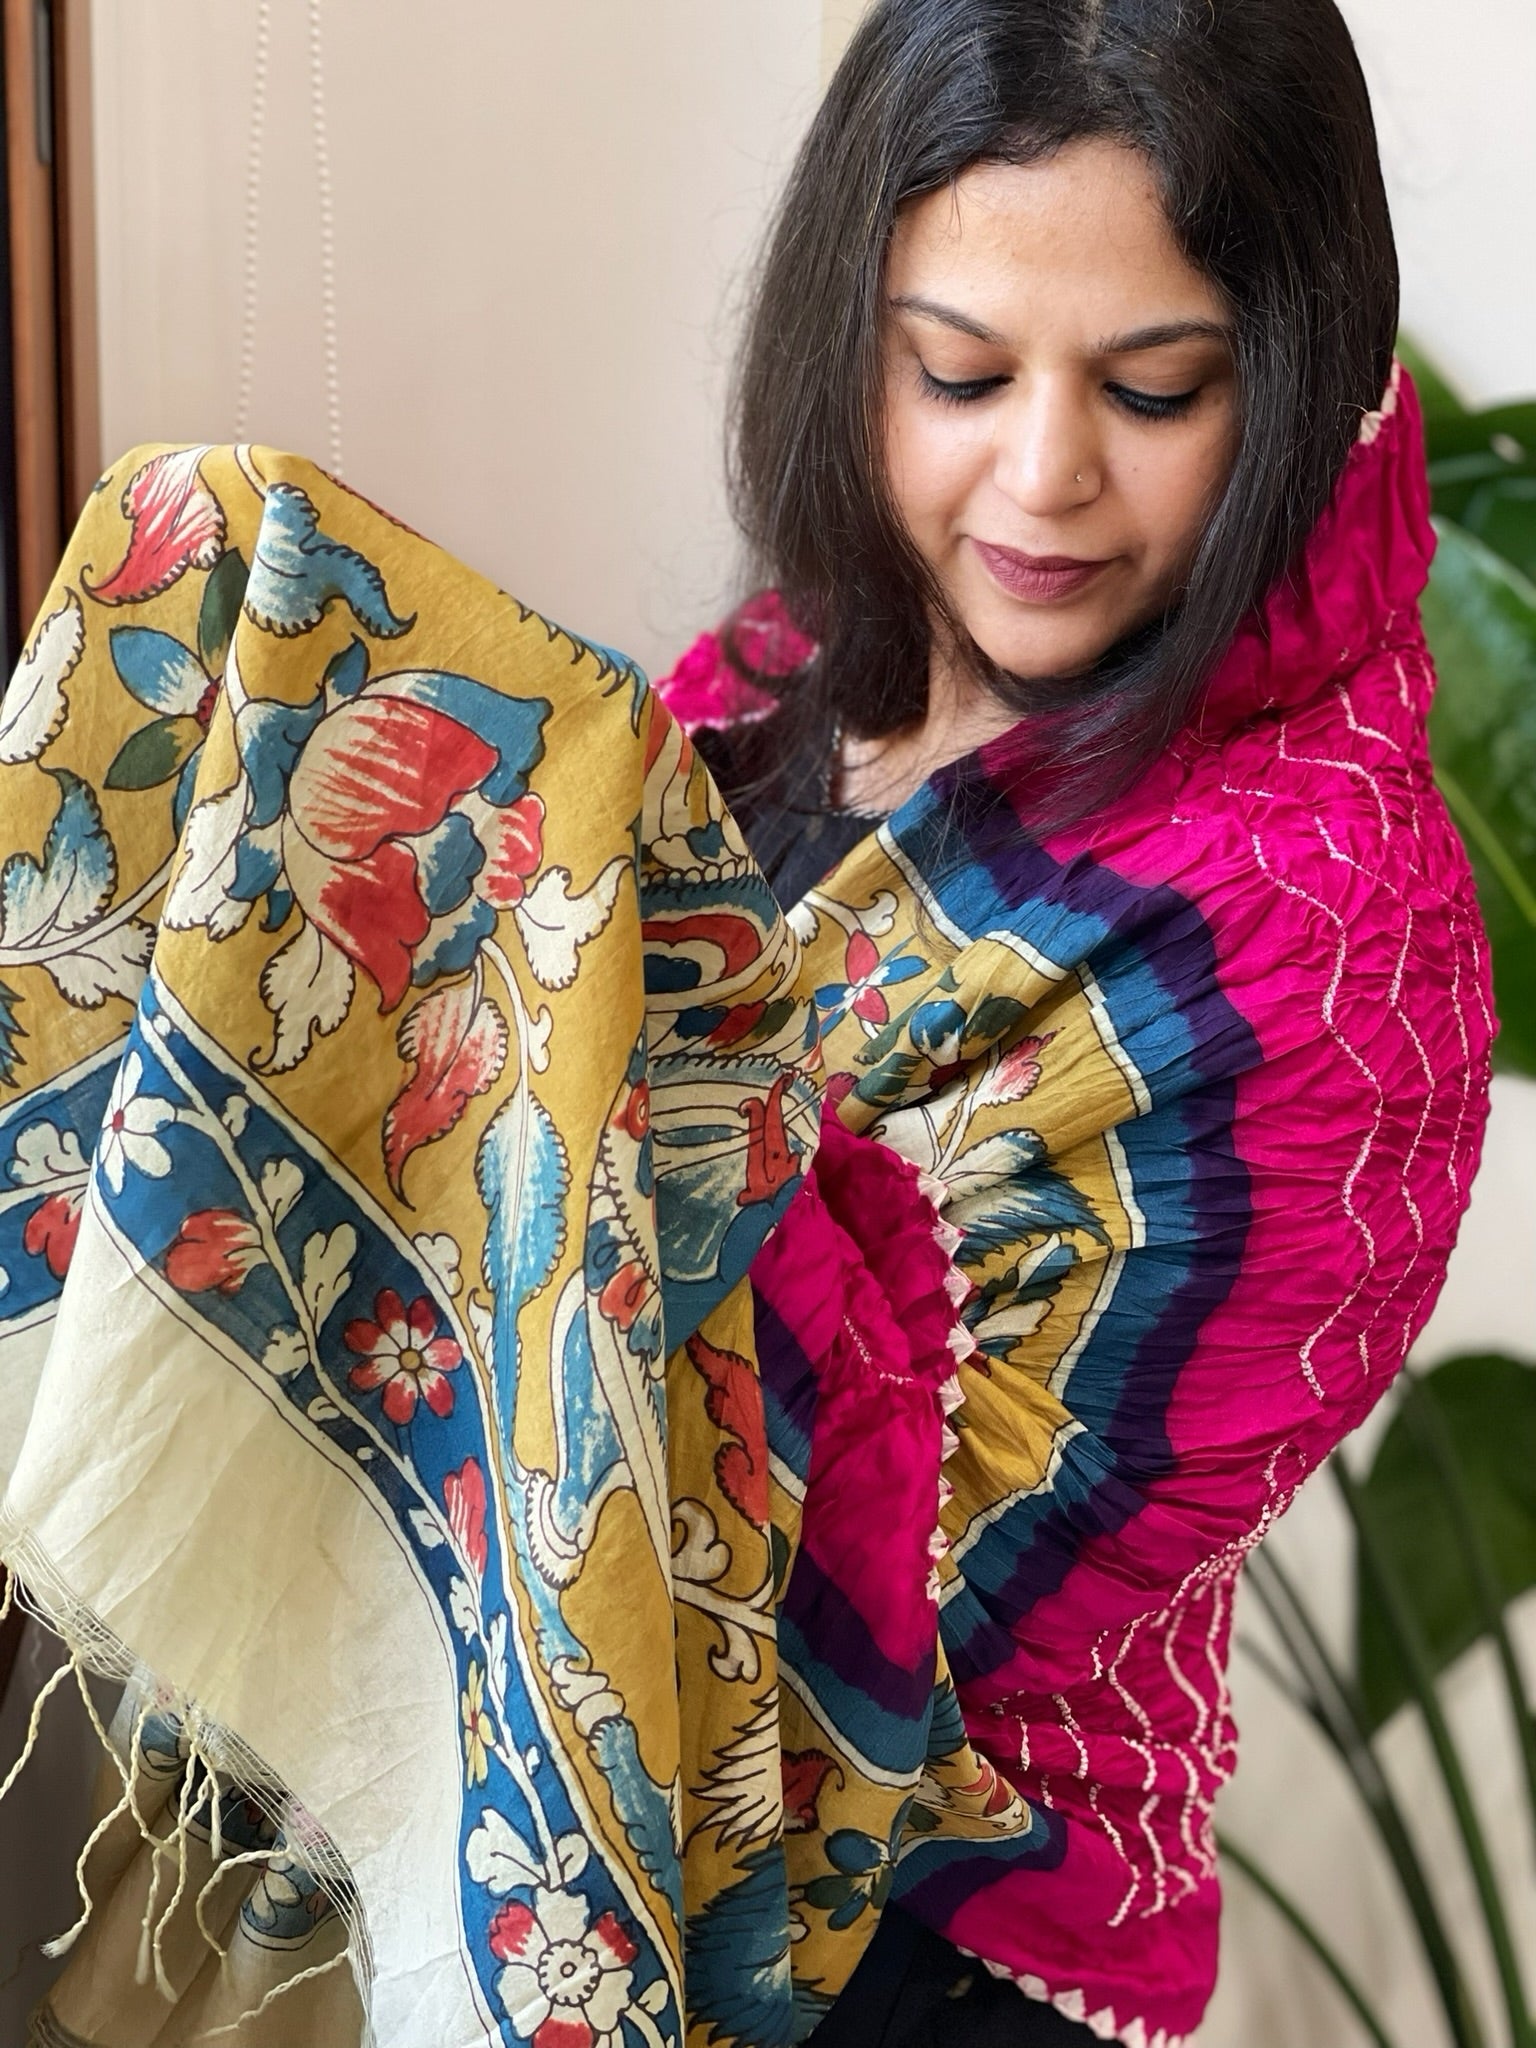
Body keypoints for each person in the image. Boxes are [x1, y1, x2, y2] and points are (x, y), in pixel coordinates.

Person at [0, 3, 1489, 2046]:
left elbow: (887, 1596)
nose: (1042, 477)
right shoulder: (812, 659)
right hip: (520, 1790)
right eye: (956, 371)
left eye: (1156, 388)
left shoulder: (1324, 955)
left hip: (917, 1934)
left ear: (1303, 369)